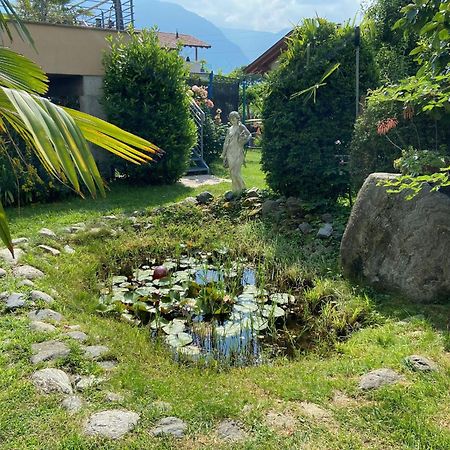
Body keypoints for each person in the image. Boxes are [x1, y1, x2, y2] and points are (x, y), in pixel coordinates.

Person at [221, 111, 251, 193]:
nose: (232, 120)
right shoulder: (229, 129)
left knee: (236, 173)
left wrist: (243, 141)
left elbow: (249, 135)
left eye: (234, 118)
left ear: (237, 118)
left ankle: (243, 189)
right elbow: (226, 142)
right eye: (231, 119)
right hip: (230, 152)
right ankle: (235, 190)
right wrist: (223, 153)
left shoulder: (241, 127)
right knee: (232, 173)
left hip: (238, 151)